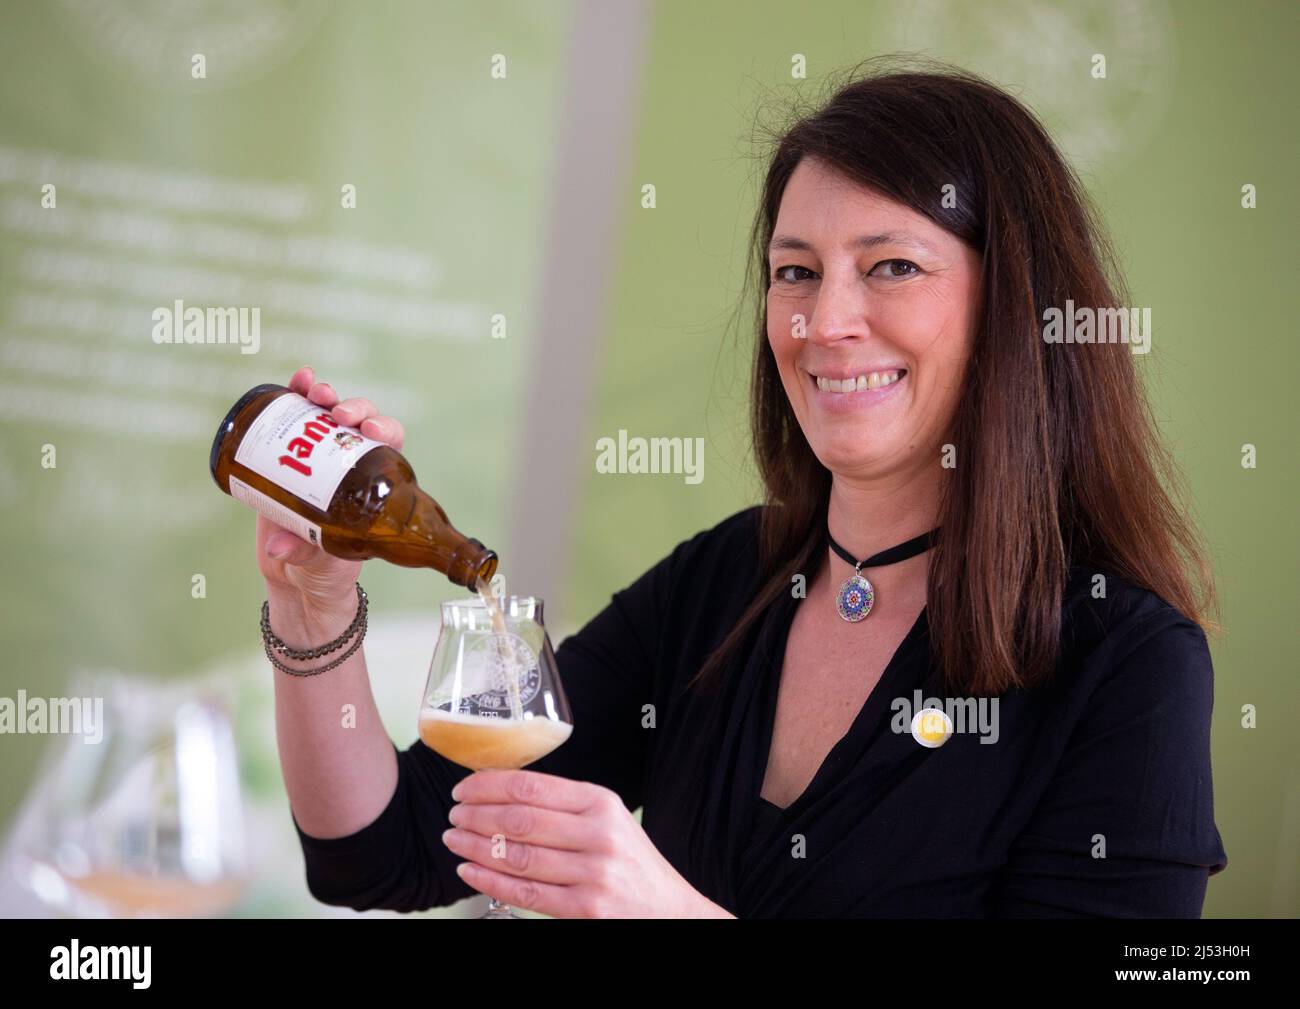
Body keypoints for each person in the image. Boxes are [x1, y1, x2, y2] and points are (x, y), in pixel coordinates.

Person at [260, 60, 1227, 918]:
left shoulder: (1126, 664)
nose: (824, 320)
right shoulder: (726, 580)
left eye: (891, 266)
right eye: (794, 272)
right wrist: (313, 605)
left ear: (1009, 309)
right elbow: (380, 855)